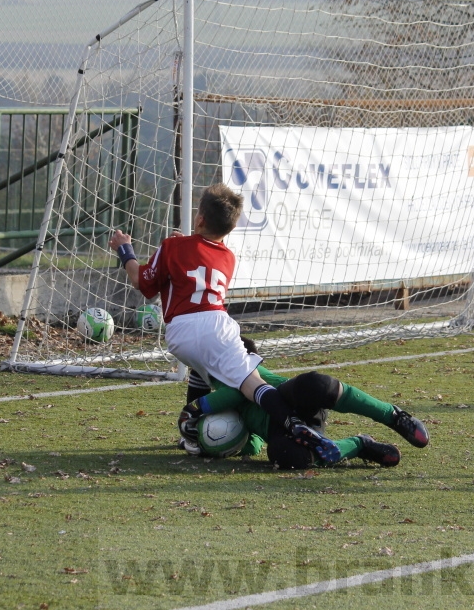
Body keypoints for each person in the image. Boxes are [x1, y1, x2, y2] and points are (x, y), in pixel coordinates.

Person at [108, 183, 342, 463]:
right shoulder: (228, 258)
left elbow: (141, 282)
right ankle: (293, 421)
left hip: (183, 332)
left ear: (200, 219)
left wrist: (125, 251)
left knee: (250, 385)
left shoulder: (173, 246)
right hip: (216, 326)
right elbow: (195, 260)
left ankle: (292, 422)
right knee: (247, 379)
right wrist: (181, 245)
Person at [183, 338, 430, 469]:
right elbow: (253, 445)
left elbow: (235, 392)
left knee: (316, 385)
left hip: (295, 402)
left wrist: (194, 410)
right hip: (288, 430)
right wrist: (222, 444)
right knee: (287, 457)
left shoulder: (246, 372)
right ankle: (359, 445)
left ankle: (393, 415)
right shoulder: (222, 404)